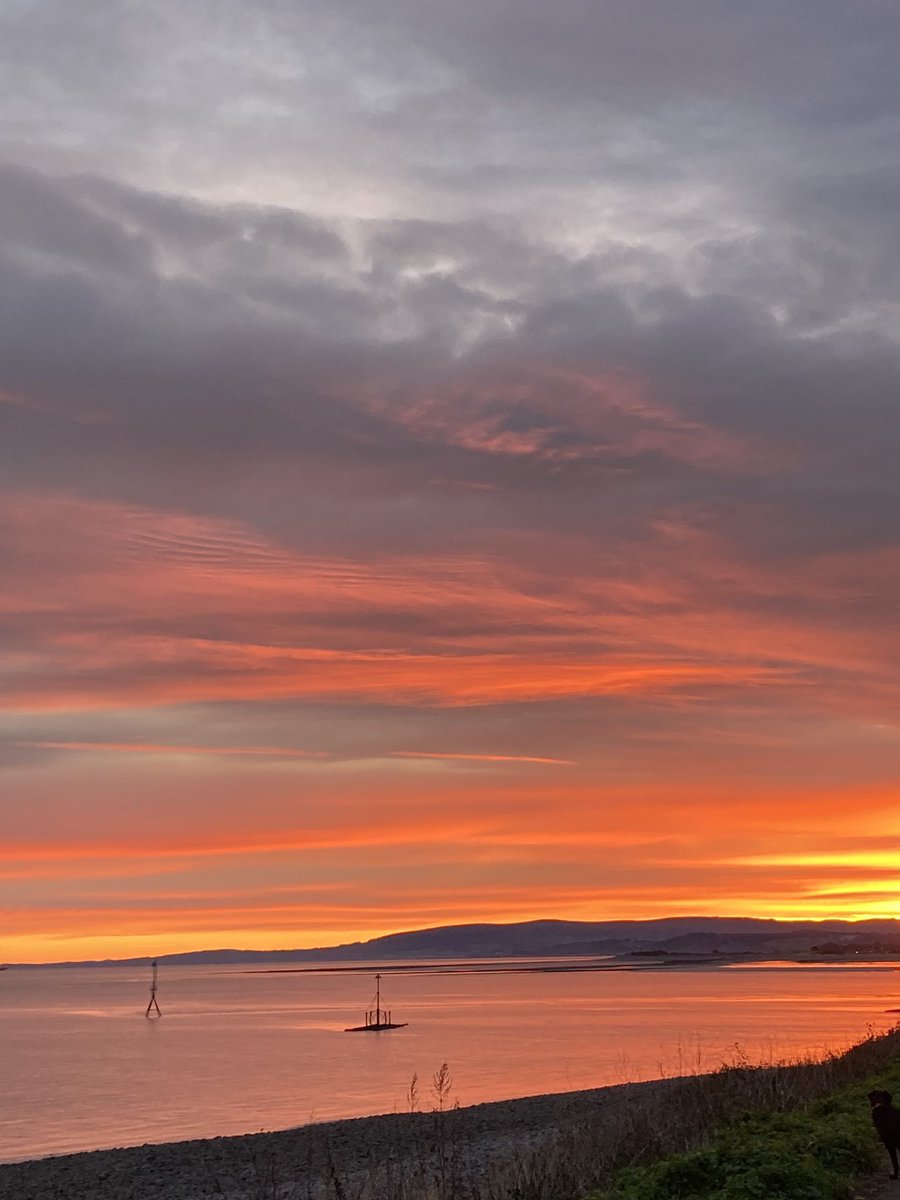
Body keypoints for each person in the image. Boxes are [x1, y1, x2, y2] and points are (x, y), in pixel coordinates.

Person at [869, 1090, 900, 1179]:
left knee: (891, 1149)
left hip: (887, 1133)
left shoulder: (876, 1115)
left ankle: (896, 1171)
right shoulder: (895, 1112)